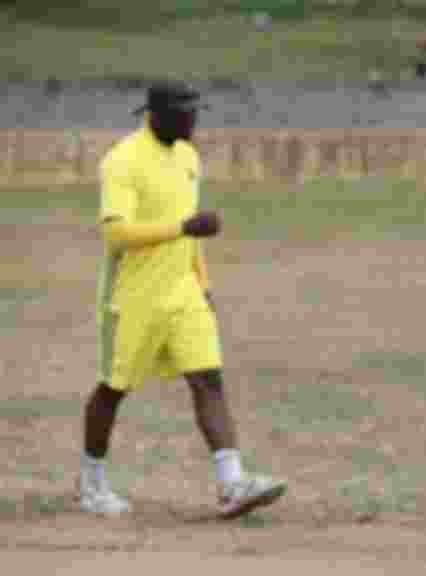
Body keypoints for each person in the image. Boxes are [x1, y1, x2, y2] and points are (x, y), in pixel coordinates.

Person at [77, 80, 287, 519]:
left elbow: (191, 239)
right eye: (184, 113)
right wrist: (182, 228)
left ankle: (232, 483)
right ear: (154, 115)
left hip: (183, 293)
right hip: (132, 298)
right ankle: (92, 483)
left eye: (196, 112)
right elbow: (115, 233)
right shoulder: (123, 161)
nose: (193, 121)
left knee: (208, 379)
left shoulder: (189, 157)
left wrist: (203, 287)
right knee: (112, 389)